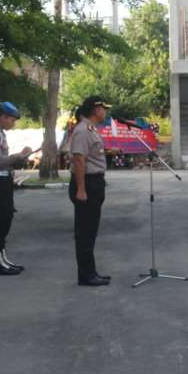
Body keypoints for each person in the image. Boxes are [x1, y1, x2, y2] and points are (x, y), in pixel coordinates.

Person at [0, 102, 33, 276]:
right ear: (2, 117)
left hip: (4, 181)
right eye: (11, 119)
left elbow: (6, 163)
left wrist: (22, 158)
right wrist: (18, 156)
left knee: (6, 220)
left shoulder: (0, 134)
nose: (13, 123)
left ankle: (3, 259)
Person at [69, 96, 112, 287]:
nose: (106, 112)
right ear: (96, 110)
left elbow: (93, 154)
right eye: (104, 108)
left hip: (94, 183)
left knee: (91, 230)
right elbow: (79, 159)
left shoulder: (91, 129)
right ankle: (86, 276)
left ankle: (91, 271)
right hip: (86, 184)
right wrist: (81, 189)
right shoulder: (82, 130)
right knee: (85, 232)